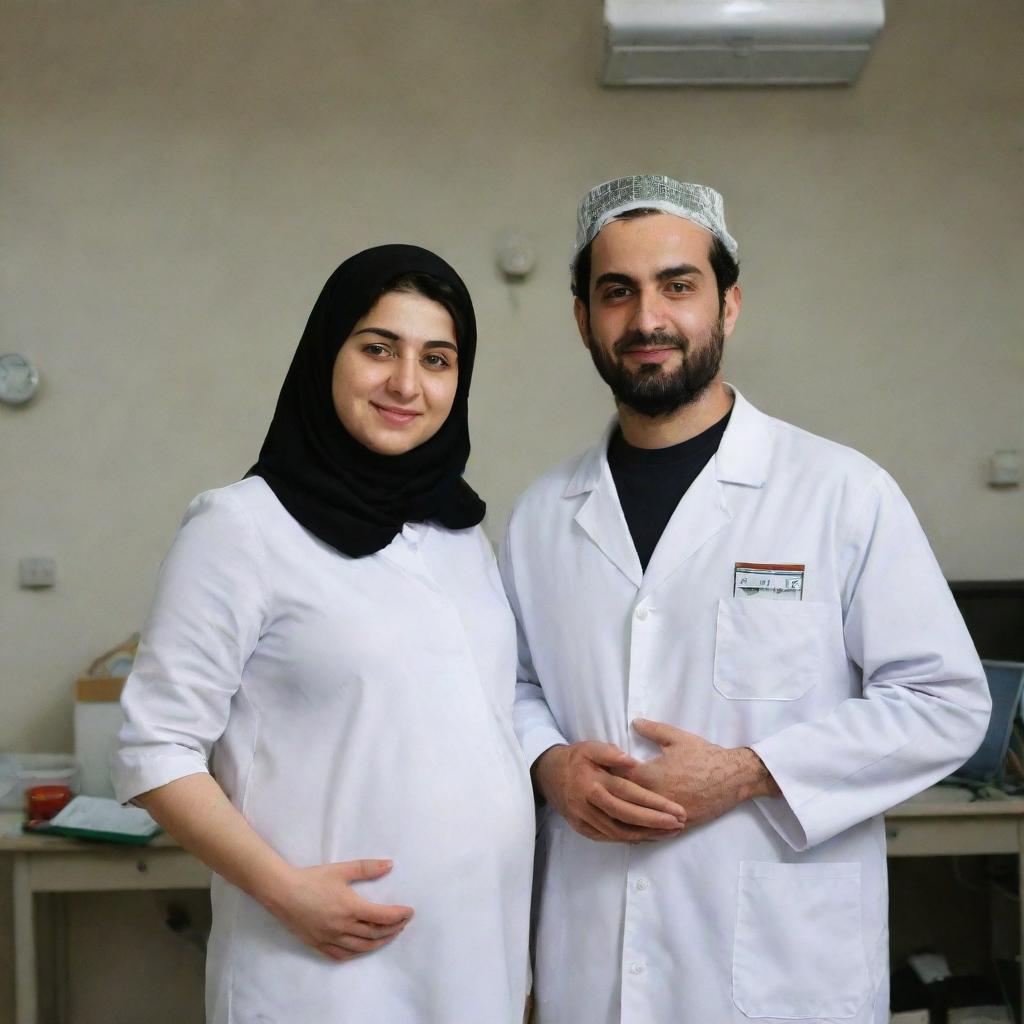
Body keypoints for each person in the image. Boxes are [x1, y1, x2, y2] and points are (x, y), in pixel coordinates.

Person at [499, 176, 991, 1024]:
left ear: (728, 306)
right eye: (617, 292)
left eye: (677, 286)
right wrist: (550, 764)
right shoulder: (545, 513)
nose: (648, 319)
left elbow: (944, 701)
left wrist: (747, 774)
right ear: (583, 318)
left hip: (779, 966)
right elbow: (511, 685)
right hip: (596, 962)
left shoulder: (839, 492)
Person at [112, 245, 534, 1024]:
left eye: (437, 360)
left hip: (476, 962)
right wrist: (286, 892)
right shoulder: (240, 528)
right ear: (326, 354)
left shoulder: (460, 535)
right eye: (379, 348)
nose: (407, 383)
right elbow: (155, 749)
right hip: (322, 967)